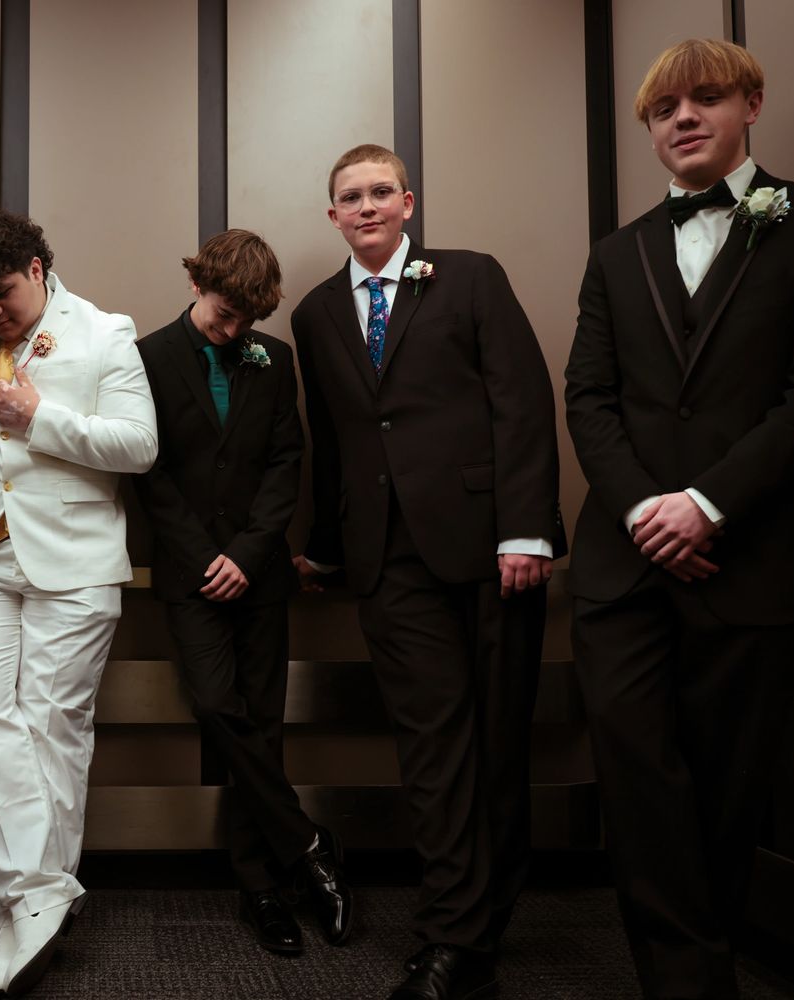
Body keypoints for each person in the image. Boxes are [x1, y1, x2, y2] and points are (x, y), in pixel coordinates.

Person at [564, 39, 794, 999]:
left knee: (729, 791)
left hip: (754, 561)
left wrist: (708, 505)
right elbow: (588, 397)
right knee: (638, 782)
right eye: (664, 110)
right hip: (624, 569)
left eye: (705, 99)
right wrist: (647, 511)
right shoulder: (617, 253)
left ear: (752, 104)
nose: (683, 119)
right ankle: (690, 986)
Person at [292, 144, 563, 1000]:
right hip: (386, 561)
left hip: (490, 548)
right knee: (433, 748)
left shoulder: (472, 278)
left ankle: (486, 913)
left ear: (408, 203)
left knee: (496, 740)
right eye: (349, 197)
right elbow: (333, 440)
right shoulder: (316, 313)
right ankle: (453, 935)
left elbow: (522, 400)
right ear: (331, 214)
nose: (366, 206)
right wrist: (326, 547)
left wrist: (526, 530)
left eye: (380, 192)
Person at [0, 210, 157, 994]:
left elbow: (138, 444)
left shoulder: (106, 331)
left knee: (52, 724)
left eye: (2, 293)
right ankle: (41, 892)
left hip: (74, 557)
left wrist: (42, 419)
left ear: (39, 267)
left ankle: (24, 906)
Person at [133, 229, 351, 954]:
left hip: (259, 575)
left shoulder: (273, 358)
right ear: (197, 283)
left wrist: (250, 554)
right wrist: (206, 558)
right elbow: (150, 474)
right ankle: (309, 844)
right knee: (219, 707)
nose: (234, 331)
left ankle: (262, 888)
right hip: (190, 574)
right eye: (225, 314)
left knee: (265, 722)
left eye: (246, 322)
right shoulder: (146, 358)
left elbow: (287, 463)